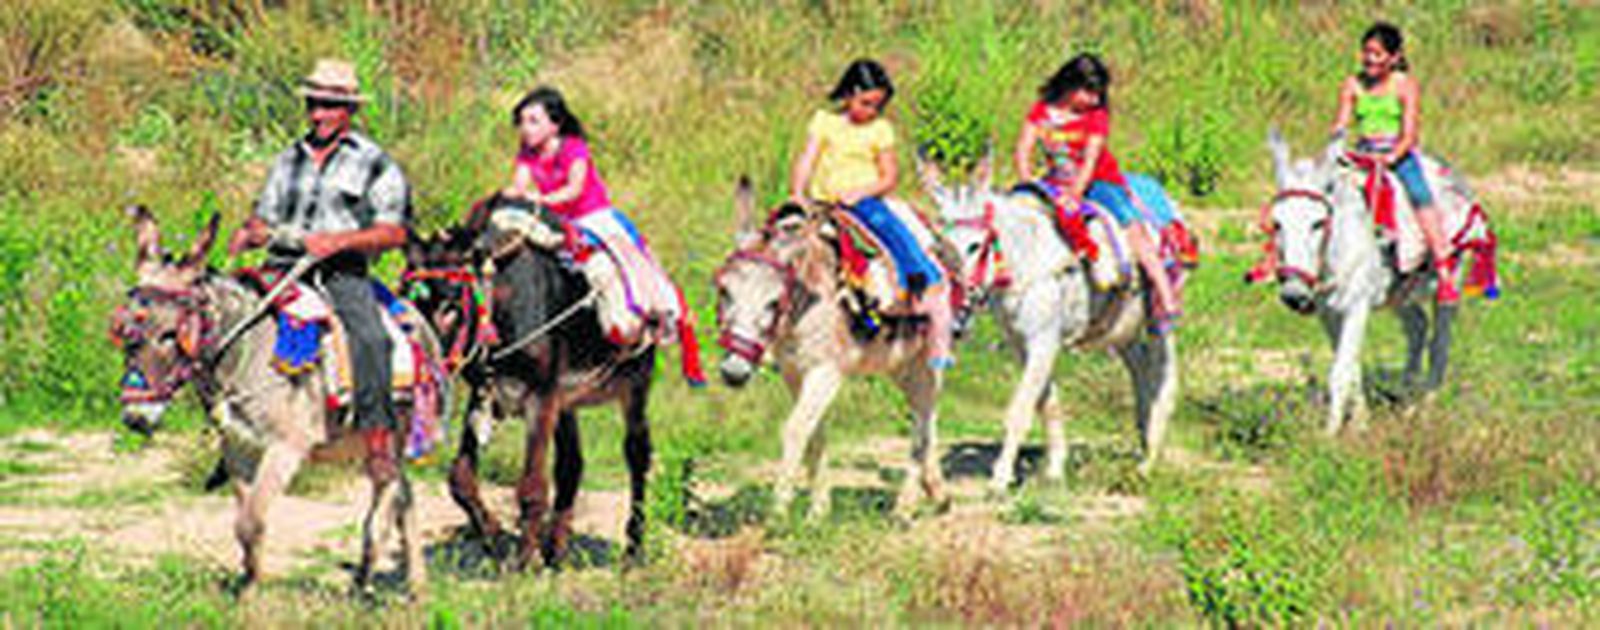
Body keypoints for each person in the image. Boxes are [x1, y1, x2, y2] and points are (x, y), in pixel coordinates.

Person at [227, 59, 411, 481]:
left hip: (340, 269)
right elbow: (265, 215)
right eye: (313, 104)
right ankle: (231, 423)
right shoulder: (287, 159)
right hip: (282, 264)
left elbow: (394, 231)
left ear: (349, 110)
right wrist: (252, 231)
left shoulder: (373, 162)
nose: (317, 114)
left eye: (328, 105)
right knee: (226, 315)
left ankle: (379, 439)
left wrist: (338, 241)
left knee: (369, 336)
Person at [502, 86, 695, 354]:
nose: (525, 129)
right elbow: (520, 185)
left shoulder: (573, 148)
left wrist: (538, 200)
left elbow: (574, 189)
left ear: (555, 124)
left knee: (614, 266)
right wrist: (511, 197)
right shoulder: (528, 151)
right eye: (522, 122)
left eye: (534, 121)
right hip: (556, 220)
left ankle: (655, 313)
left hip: (592, 218)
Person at [789, 59, 954, 369]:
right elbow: (807, 160)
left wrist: (861, 192)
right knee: (781, 241)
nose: (870, 111)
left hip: (862, 201)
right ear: (850, 94)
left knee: (888, 228)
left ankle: (917, 279)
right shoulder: (825, 121)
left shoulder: (880, 130)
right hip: (824, 202)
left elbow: (889, 177)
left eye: (877, 105)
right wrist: (798, 195)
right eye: (865, 103)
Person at [1014, 53, 1181, 329]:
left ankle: (1164, 292)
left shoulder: (1096, 116)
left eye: (1097, 94)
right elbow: (1024, 147)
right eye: (1088, 92)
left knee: (1130, 224)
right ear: (1070, 85)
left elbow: (1091, 161)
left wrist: (1075, 195)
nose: (1093, 100)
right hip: (1054, 181)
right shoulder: (1042, 111)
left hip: (1098, 182)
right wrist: (1026, 181)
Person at [1331, 21, 1456, 304]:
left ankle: (1444, 267)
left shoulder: (1404, 85)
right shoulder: (1352, 84)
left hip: (1396, 153)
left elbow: (1409, 134)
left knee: (1419, 194)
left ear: (1394, 57)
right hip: (1363, 153)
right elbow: (1341, 123)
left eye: (1376, 54)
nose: (1369, 60)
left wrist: (1391, 157)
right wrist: (1335, 144)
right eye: (1366, 52)